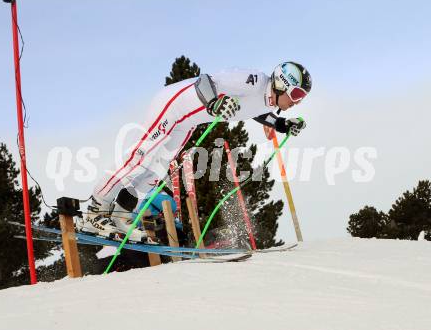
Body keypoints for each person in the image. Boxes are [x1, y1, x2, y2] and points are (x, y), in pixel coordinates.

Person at [77, 61, 312, 242]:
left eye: (301, 97)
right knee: (142, 157)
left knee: (155, 171)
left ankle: (120, 215)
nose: (297, 101)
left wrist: (282, 125)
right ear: (282, 83)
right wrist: (214, 103)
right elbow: (205, 81)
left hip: (187, 122)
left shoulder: (267, 100)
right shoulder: (253, 80)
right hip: (173, 105)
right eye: (297, 95)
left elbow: (255, 110)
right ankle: (96, 210)